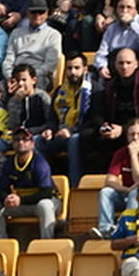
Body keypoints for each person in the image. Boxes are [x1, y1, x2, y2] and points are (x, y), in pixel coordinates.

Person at [85, 47, 139, 168]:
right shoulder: (110, 86)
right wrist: (103, 127)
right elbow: (98, 113)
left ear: (136, 64)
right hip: (113, 130)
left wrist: (123, 130)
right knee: (85, 137)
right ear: (115, 65)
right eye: (120, 63)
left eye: (128, 63)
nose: (124, 67)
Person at [95, 116, 139, 238]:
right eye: (132, 134)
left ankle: (129, 229)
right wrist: (127, 189)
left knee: (135, 192)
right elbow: (109, 181)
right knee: (106, 192)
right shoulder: (120, 153)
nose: (135, 138)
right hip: (127, 192)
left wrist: (133, 156)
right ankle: (106, 229)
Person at [0, 125, 57, 239]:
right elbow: (2, 189)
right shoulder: (8, 163)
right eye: (17, 139)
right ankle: (1, 243)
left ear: (32, 143)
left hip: (42, 202)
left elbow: (47, 193)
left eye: (25, 139)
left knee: (45, 205)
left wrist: (21, 200)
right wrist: (6, 198)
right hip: (21, 203)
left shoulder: (40, 163)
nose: (20, 142)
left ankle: (47, 242)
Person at [43, 50, 90, 186]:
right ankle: (43, 185)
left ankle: (74, 186)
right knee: (35, 141)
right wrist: (49, 130)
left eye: (77, 68)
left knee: (74, 141)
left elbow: (93, 121)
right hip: (59, 133)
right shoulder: (59, 91)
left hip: (80, 134)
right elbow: (52, 119)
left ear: (85, 69)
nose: (73, 72)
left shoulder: (94, 90)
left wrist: (71, 131)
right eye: (69, 68)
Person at [93, 0, 139, 80]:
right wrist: (101, 67)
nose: (124, 11)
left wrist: (132, 24)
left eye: (129, 7)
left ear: (136, 10)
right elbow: (102, 52)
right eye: (121, 7)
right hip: (117, 70)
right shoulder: (112, 28)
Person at [4, 0, 62, 91]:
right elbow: (8, 60)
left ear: (47, 13)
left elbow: (50, 64)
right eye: (33, 12)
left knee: (36, 89)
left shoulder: (54, 35)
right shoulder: (16, 33)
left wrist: (28, 78)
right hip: (16, 75)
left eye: (41, 12)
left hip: (39, 76)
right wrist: (11, 76)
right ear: (27, 13)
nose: (37, 15)